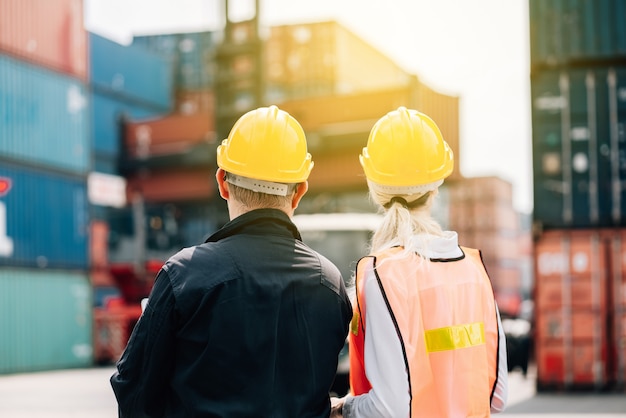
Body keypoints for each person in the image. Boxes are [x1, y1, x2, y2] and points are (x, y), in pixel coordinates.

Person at [111, 105, 353, 417]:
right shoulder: (329, 284)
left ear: (222, 181)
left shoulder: (183, 277)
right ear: (299, 192)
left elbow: (133, 391)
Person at [331, 107, 508, 417]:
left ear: (374, 185)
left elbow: (389, 409)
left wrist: (342, 409)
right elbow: (497, 396)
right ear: (435, 187)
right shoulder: (475, 272)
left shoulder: (383, 275)